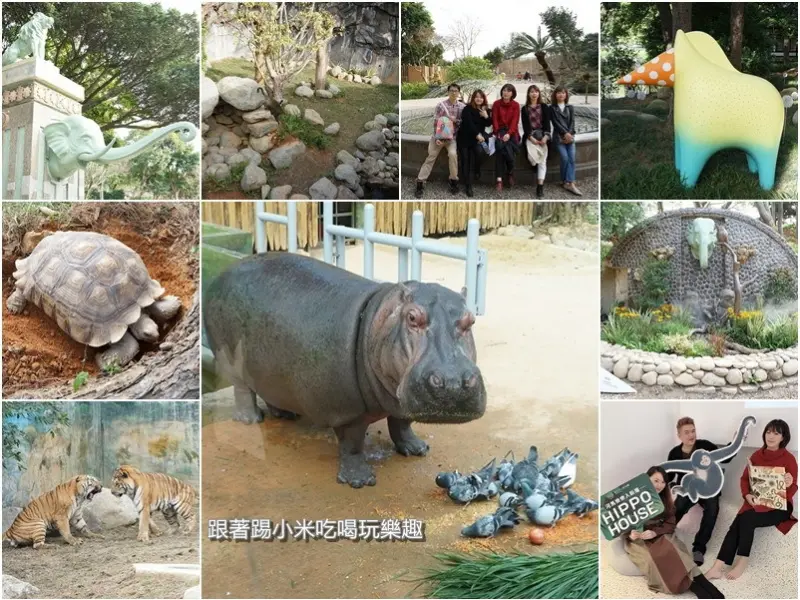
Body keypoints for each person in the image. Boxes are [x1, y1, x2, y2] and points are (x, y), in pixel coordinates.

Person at [706, 419, 797, 581]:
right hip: (756, 503)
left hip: (779, 507)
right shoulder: (756, 455)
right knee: (739, 521)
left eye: (776, 433)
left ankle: (742, 560)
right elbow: (744, 480)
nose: (771, 436)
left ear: (783, 437)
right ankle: (717, 567)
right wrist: (748, 496)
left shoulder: (789, 459)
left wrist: (788, 483)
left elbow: (791, 490)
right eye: (769, 432)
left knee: (746, 518)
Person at [624, 466, 725, 599]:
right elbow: (621, 525)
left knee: (675, 549)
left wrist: (655, 532)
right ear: (646, 479)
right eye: (656, 480)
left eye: (662, 482)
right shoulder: (632, 499)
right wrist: (630, 534)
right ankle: (695, 588)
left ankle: (706, 586)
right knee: (654, 558)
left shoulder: (665, 500)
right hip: (638, 540)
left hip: (659, 534)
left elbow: (670, 524)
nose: (659, 485)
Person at [668, 417, 734, 566]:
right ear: (679, 435)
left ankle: (699, 549)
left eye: (693, 431)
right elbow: (670, 476)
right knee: (678, 506)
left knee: (712, 508)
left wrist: (736, 441)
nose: (691, 435)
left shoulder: (705, 446)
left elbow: (726, 457)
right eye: (687, 432)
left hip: (708, 489)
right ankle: (665, 536)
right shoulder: (674, 453)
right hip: (689, 489)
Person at [415, 82, 465, 198]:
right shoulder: (441, 105)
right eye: (451, 90)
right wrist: (437, 138)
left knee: (453, 154)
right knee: (431, 156)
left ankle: (453, 180)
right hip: (438, 137)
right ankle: (420, 182)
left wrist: (455, 121)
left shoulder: (462, 107)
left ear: (458, 92)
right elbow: (436, 122)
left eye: (456, 91)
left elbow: (463, 123)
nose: (453, 93)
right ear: (448, 92)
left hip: (452, 138)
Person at [457, 89, 492, 198]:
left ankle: (477, 168)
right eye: (476, 97)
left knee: (480, 153)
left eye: (481, 97)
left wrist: (486, 116)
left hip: (478, 139)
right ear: (473, 98)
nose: (479, 99)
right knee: (465, 160)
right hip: (465, 138)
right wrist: (477, 134)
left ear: (483, 99)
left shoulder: (485, 109)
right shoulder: (467, 108)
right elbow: (468, 124)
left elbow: (489, 124)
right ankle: (468, 185)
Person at [550, 85, 582, 196]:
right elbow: (555, 123)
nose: (561, 94)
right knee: (564, 158)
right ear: (555, 95)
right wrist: (565, 134)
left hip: (570, 136)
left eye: (563, 93)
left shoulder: (570, 107)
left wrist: (570, 134)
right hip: (559, 138)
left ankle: (569, 182)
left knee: (572, 159)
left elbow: (572, 122)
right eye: (559, 93)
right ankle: (567, 182)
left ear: (566, 94)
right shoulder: (552, 108)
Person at [521, 85, 551, 198]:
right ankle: (535, 166)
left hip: (543, 136)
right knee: (532, 159)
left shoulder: (544, 107)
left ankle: (540, 187)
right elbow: (525, 126)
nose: (534, 94)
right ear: (528, 94)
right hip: (531, 136)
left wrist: (546, 137)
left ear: (539, 94)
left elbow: (548, 124)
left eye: (536, 92)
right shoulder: (524, 109)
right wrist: (531, 137)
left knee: (542, 161)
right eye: (532, 92)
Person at [491, 83, 521, 192]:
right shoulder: (496, 104)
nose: (506, 92)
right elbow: (494, 120)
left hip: (512, 133)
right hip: (499, 132)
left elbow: (515, 121)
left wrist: (509, 134)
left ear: (512, 93)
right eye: (504, 90)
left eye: (509, 91)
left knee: (503, 149)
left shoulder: (516, 105)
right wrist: (498, 133)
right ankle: (502, 178)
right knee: (500, 148)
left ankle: (506, 174)